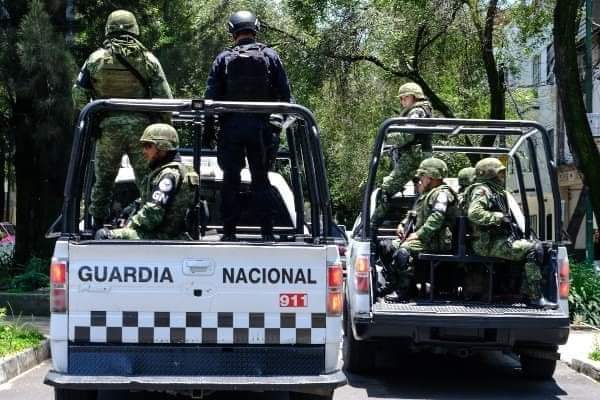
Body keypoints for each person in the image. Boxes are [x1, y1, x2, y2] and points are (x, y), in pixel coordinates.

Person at [73, 9, 173, 228]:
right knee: (147, 182)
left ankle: (96, 225)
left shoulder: (95, 59)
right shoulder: (148, 59)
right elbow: (165, 99)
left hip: (107, 129)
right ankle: (150, 225)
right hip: (143, 133)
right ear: (134, 29)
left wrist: (92, 124)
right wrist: (167, 130)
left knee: (103, 182)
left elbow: (79, 94)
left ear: (109, 29)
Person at [204, 10, 292, 241]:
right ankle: (267, 233)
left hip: (231, 129)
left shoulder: (223, 58)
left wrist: (209, 132)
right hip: (261, 129)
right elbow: (286, 97)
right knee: (261, 179)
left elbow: (210, 100)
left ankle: (229, 233)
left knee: (230, 181)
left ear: (232, 32)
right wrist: (277, 126)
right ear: (255, 29)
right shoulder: (271, 56)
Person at [464, 158, 555, 308]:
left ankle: (526, 293)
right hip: (485, 243)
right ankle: (534, 297)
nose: (503, 177)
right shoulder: (482, 190)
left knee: (540, 247)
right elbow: (474, 213)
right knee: (533, 249)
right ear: (489, 174)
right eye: (500, 174)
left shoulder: (495, 191)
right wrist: (499, 217)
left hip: (494, 240)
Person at [95, 124, 198, 240]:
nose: (144, 151)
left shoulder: (168, 175)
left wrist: (129, 226)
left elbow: (152, 213)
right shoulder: (177, 171)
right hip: (171, 237)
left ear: (163, 147)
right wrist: (131, 208)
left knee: (104, 235)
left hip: (161, 237)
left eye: (148, 146)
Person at [378, 158, 458, 302]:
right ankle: (399, 284)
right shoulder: (427, 194)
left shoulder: (441, 194)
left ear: (430, 177)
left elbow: (436, 218)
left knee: (403, 252)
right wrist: (402, 224)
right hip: (426, 239)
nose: (420, 179)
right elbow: (414, 213)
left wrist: (418, 235)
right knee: (386, 246)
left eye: (422, 176)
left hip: (436, 240)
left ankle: (404, 292)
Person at [372, 82, 433, 225]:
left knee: (386, 190)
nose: (401, 101)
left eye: (404, 98)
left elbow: (407, 135)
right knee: (421, 194)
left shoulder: (417, 111)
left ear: (414, 97)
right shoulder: (422, 110)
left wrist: (386, 136)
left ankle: (370, 227)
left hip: (413, 157)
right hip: (417, 157)